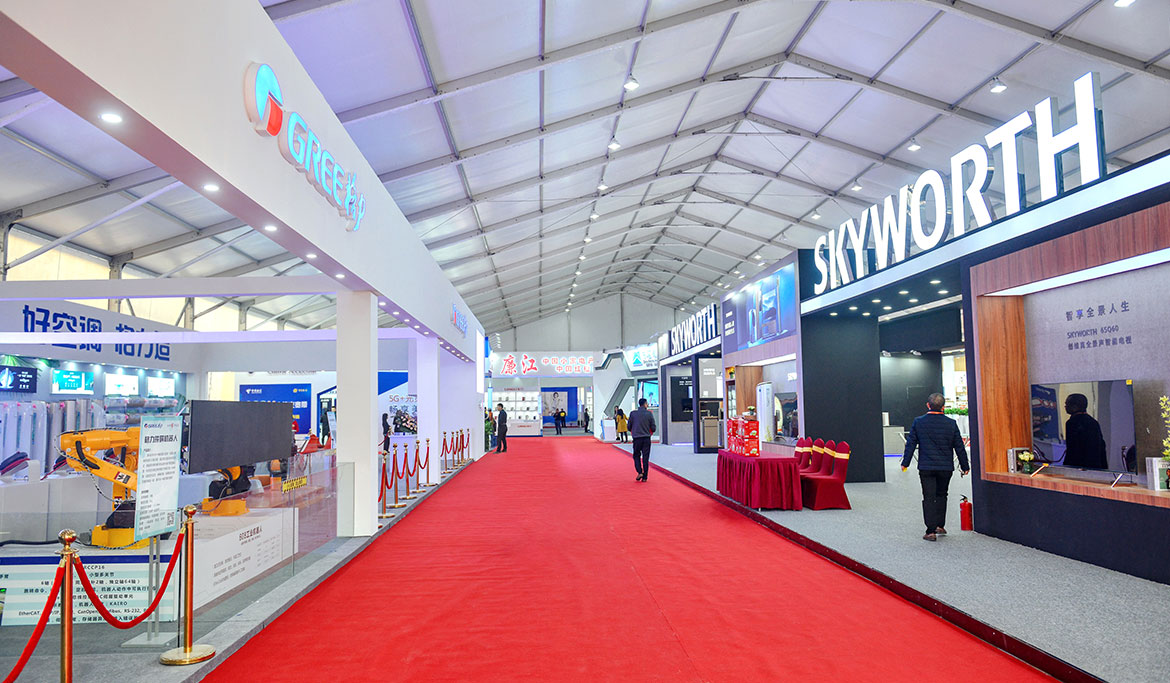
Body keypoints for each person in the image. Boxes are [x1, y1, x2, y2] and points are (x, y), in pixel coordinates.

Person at [901, 393, 969, 542]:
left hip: (926, 467)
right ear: (943, 407)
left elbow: (910, 444)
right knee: (942, 495)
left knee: (929, 497)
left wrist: (905, 463)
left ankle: (930, 531)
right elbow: (959, 446)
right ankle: (940, 525)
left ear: (928, 405)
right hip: (945, 467)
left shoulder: (919, 422)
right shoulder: (951, 424)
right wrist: (965, 465)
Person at [1063, 393, 1108, 470]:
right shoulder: (1093, 422)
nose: (1065, 407)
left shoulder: (1072, 422)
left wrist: (1067, 466)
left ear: (1075, 406)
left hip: (1078, 466)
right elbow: (1101, 446)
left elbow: (1072, 448)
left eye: (1067, 404)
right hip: (1096, 466)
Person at [628, 398, 657, 482]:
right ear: (645, 404)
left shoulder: (633, 413)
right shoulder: (649, 414)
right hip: (646, 438)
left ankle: (640, 472)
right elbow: (653, 428)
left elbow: (629, 427)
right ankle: (645, 477)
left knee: (636, 455)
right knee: (645, 457)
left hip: (637, 438)